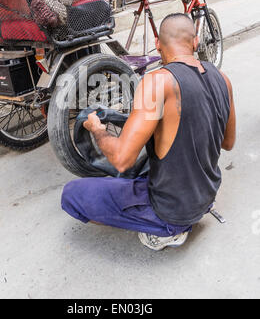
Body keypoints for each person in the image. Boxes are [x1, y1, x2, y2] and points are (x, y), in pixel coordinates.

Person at [61, 13, 236, 251]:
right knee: (147, 163)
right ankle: (179, 216)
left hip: (172, 211)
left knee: (72, 194)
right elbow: (228, 142)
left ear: (157, 43)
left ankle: (166, 232)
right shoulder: (223, 79)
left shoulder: (157, 82)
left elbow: (122, 159)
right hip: (206, 195)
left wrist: (98, 131)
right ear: (195, 43)